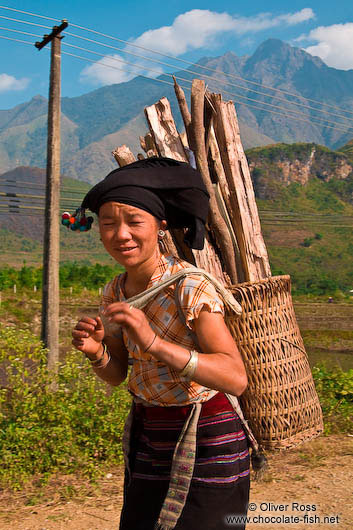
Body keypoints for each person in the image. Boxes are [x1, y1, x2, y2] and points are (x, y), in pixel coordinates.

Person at [72, 157, 250, 530]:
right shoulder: (115, 291)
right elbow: (119, 374)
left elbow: (234, 378)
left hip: (207, 435)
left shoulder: (189, 286)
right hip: (150, 436)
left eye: (134, 222)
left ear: (160, 228)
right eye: (108, 224)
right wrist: (97, 352)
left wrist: (153, 342)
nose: (121, 234)